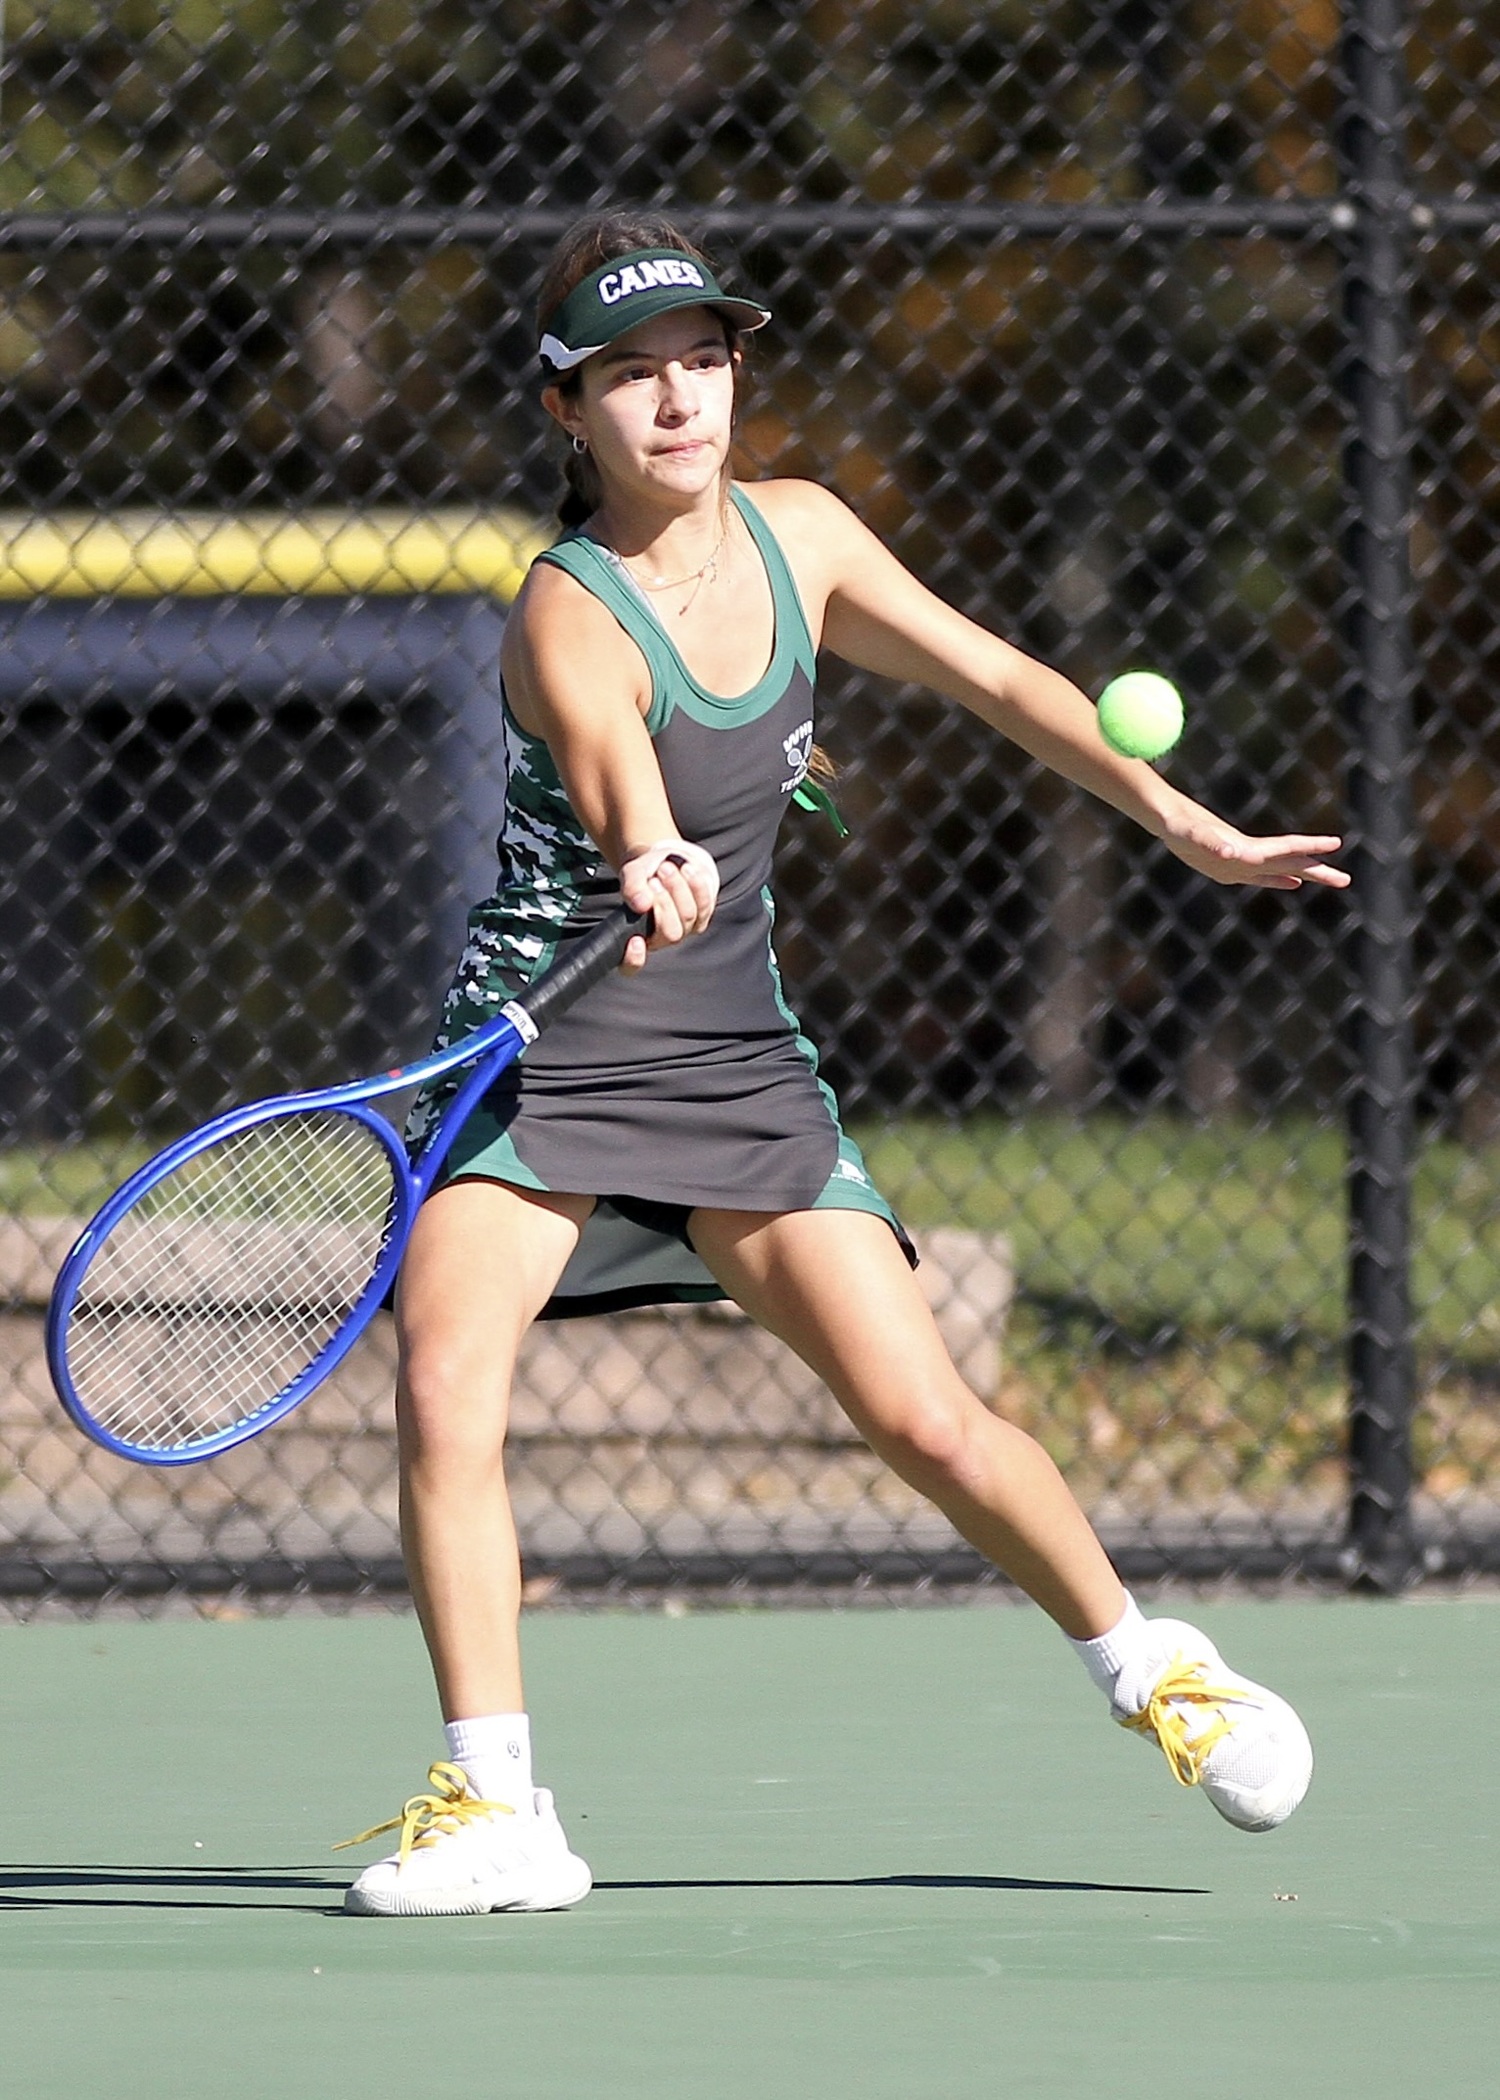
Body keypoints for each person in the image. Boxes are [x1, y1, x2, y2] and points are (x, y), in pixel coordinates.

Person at [338, 211, 1347, 1917]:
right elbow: (608, 763)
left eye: (705, 365)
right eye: (633, 378)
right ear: (566, 414)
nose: (679, 403)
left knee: (925, 1418)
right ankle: (495, 1802)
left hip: (731, 1051)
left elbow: (1006, 681)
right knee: (447, 1393)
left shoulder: (806, 538)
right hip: (538, 1057)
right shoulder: (563, 607)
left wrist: (1187, 823)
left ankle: (1151, 1667)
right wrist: (648, 846)